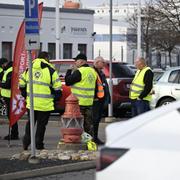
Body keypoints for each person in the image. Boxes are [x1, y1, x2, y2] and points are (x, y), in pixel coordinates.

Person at [19, 51, 62, 150]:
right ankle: (39, 145)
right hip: (45, 104)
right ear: (47, 58)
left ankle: (26, 142)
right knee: (41, 126)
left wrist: (25, 94)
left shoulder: (29, 68)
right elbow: (57, 88)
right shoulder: (51, 70)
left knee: (30, 123)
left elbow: (21, 84)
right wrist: (56, 99)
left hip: (32, 103)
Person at [65, 53, 97, 137]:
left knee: (77, 124)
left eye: (76, 60)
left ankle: (79, 141)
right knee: (89, 125)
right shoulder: (93, 71)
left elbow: (68, 82)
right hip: (89, 103)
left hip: (79, 103)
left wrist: (69, 71)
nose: (75, 62)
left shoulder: (80, 72)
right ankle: (89, 142)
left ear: (82, 61)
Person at [92, 56, 110, 145]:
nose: (104, 64)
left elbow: (104, 86)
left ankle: (95, 138)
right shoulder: (93, 72)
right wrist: (94, 97)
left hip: (100, 100)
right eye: (102, 62)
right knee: (94, 120)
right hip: (95, 100)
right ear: (97, 63)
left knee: (97, 120)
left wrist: (107, 98)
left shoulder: (100, 72)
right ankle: (93, 139)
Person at [0, 60, 19, 140]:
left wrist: (0, 84)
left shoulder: (10, 71)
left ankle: (14, 134)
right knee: (10, 116)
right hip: (8, 96)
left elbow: (8, 85)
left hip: (9, 97)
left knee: (11, 116)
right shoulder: (9, 70)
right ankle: (14, 133)